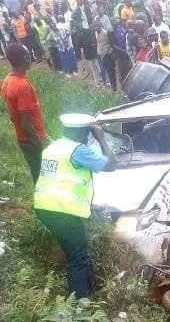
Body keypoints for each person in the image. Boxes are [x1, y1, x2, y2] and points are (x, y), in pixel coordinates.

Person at [34, 113, 115, 298]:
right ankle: (79, 306)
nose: (88, 137)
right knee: (78, 256)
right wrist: (101, 137)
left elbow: (60, 181)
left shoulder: (53, 147)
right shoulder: (78, 150)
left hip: (44, 207)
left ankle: (87, 291)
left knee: (77, 250)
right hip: (61, 210)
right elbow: (111, 165)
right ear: (81, 133)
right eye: (87, 133)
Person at [1, 44, 48, 184]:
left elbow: (12, 114)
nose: (31, 58)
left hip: (22, 137)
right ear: (25, 59)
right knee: (42, 176)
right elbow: (25, 123)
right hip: (33, 139)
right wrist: (38, 143)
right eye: (29, 55)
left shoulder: (7, 80)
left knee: (36, 171)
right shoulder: (22, 86)